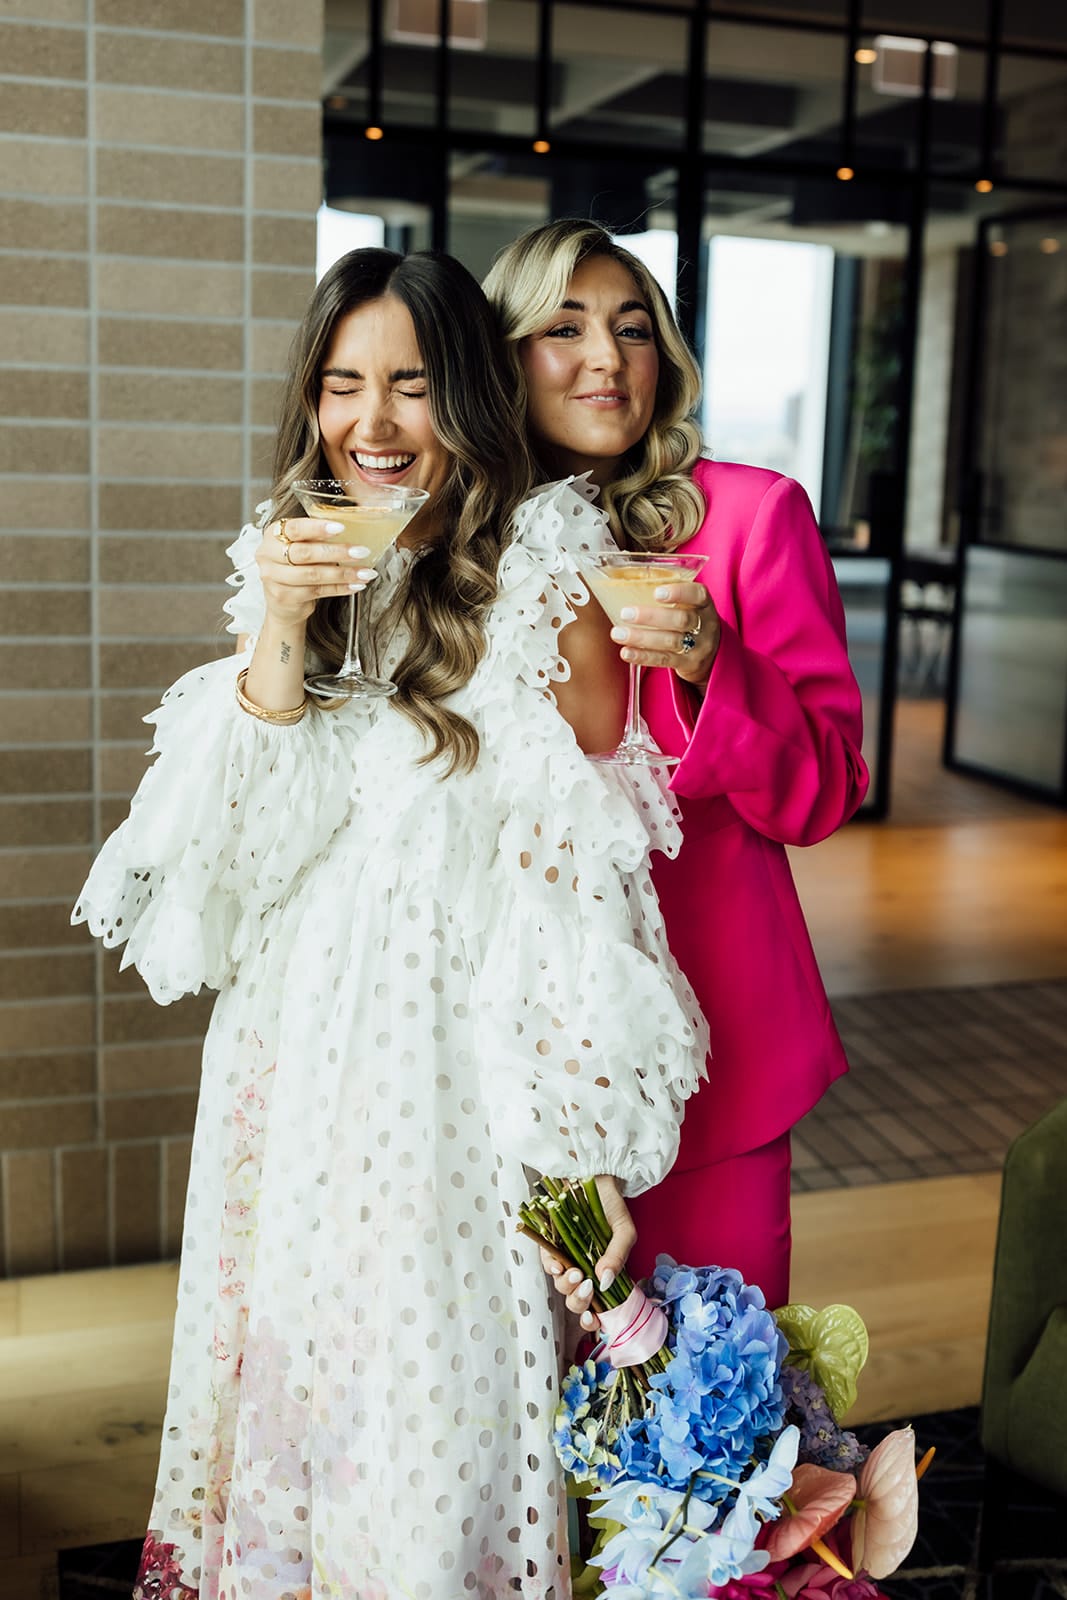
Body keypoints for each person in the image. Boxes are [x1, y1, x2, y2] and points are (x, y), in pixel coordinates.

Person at [72, 247, 708, 1599]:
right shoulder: (299, 562)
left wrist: (576, 1148)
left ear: (466, 396)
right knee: (294, 1398)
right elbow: (232, 860)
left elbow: (573, 878)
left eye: (410, 386)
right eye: (341, 384)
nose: (371, 422)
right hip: (293, 1055)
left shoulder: (547, 576)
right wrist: (282, 622)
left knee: (431, 1419)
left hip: (447, 1077)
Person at [484, 219, 869, 1321]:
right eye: (564, 328)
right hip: (511, 1048)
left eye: (632, 329)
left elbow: (828, 787)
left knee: (700, 1390)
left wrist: (712, 665)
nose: (605, 359)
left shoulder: (750, 519)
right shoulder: (466, 543)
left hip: (710, 1050)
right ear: (502, 355)